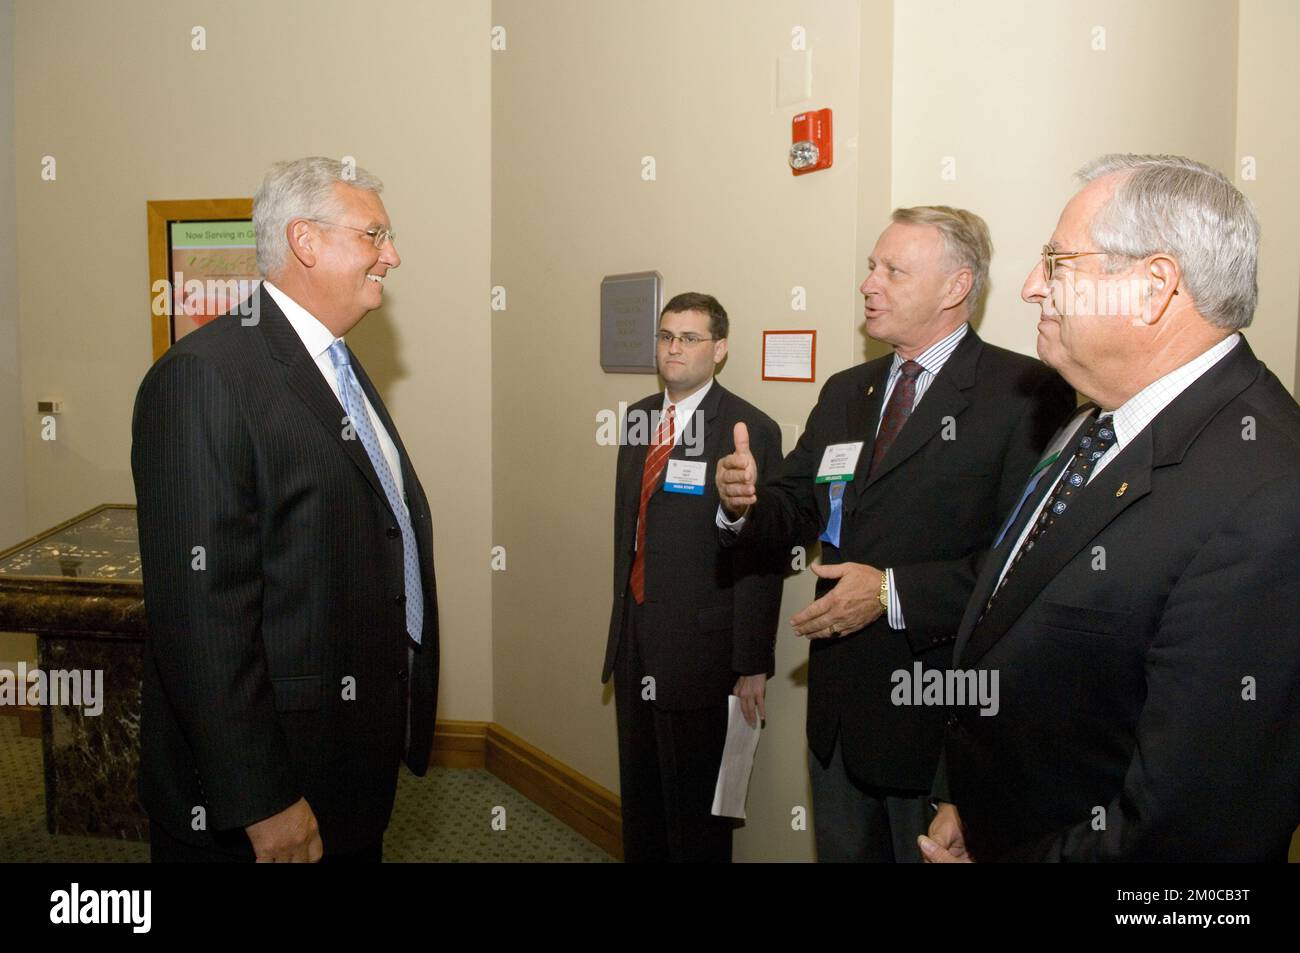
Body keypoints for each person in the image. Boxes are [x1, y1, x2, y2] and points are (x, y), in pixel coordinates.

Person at [921, 154, 1300, 863]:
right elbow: (1009, 621)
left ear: (1153, 287)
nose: (1033, 288)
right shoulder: (1094, 416)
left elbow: (1192, 837)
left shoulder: (1271, 496)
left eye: (1058, 262)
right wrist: (965, 793)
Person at [716, 207, 1077, 862]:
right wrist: (744, 501)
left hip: (939, 730)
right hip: (837, 725)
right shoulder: (847, 390)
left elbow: (1023, 570)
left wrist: (889, 591)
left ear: (955, 286)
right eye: (870, 267)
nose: (868, 284)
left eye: (892, 270)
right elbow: (798, 503)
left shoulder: (1026, 393)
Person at [131, 157, 439, 863]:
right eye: (374, 234)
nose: (392, 255)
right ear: (306, 241)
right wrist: (261, 799)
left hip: (346, 757)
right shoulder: (204, 377)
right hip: (267, 789)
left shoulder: (337, 361)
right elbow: (200, 618)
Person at [602, 292, 784, 862]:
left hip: (703, 651)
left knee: (697, 820)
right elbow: (632, 527)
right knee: (642, 800)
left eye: (689, 337)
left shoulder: (749, 428)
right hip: (635, 635)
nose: (673, 348)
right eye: (665, 336)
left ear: (720, 348)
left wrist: (752, 660)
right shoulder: (637, 418)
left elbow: (764, 552)